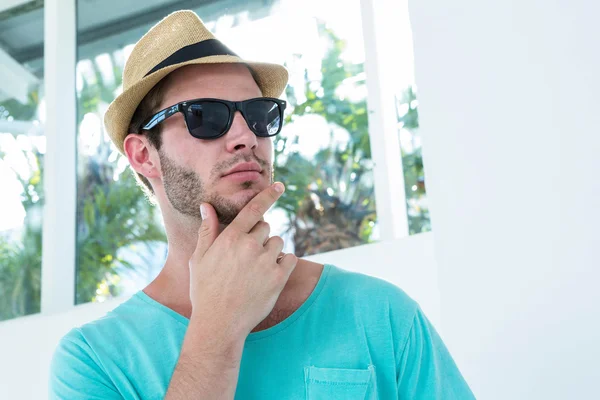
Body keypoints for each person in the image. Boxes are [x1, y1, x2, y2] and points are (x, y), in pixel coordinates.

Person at [49, 10, 475, 400]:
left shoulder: (381, 315)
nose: (247, 137)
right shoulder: (94, 362)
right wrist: (215, 334)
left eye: (259, 115)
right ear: (144, 155)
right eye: (205, 116)